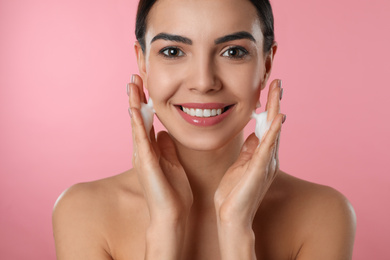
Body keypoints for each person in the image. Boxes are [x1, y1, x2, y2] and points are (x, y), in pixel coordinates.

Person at [52, 0, 356, 259]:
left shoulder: (323, 215)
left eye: (233, 52)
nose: (203, 81)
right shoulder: (83, 212)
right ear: (142, 62)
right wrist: (164, 228)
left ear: (266, 65)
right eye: (173, 52)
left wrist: (237, 232)